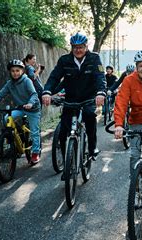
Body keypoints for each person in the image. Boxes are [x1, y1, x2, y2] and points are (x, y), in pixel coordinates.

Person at [41, 32, 106, 168]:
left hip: (88, 98)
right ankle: (67, 161)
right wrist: (47, 91)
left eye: (81, 47)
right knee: (63, 132)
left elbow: (100, 76)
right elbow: (54, 77)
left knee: (89, 116)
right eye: (74, 47)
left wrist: (101, 93)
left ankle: (93, 147)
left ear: (86, 46)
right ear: (71, 47)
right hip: (71, 99)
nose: (78, 50)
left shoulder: (94, 58)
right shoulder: (64, 60)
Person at [0, 59, 42, 164]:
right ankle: (15, 138)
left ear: (22, 71)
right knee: (6, 119)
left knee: (34, 132)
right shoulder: (9, 84)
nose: (15, 73)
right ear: (10, 72)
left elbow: (34, 94)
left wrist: (31, 103)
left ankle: (35, 153)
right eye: (13, 71)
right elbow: (0, 95)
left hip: (33, 109)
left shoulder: (27, 81)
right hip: (20, 108)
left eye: (17, 70)